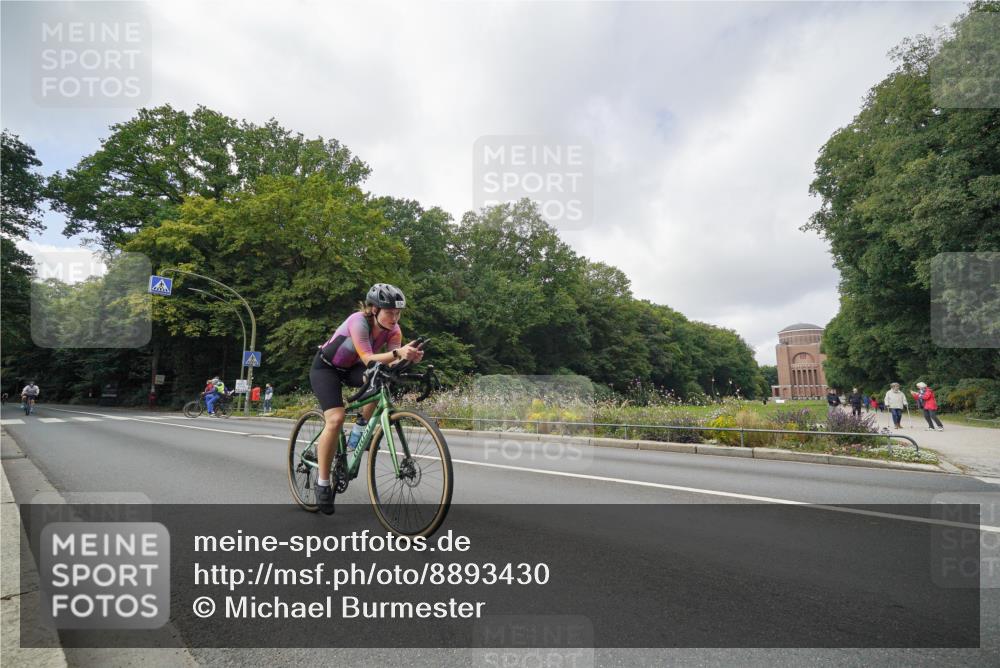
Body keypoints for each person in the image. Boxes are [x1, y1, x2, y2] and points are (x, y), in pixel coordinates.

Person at [309, 283, 423, 515]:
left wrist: (409, 358)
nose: (395, 317)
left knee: (382, 378)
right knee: (336, 419)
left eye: (398, 313)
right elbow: (369, 357)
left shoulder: (394, 331)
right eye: (390, 312)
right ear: (374, 309)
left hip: (353, 368)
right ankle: (322, 482)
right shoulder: (357, 321)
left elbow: (390, 362)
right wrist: (398, 353)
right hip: (327, 368)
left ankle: (360, 429)